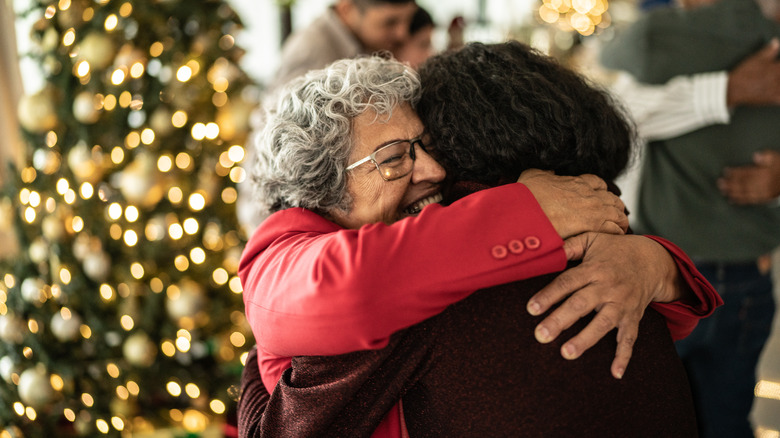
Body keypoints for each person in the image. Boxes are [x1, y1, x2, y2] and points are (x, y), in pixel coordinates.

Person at [237, 54, 720, 436]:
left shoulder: (582, 231)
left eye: (427, 145)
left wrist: (653, 263)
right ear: (321, 188)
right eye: (394, 159)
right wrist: (530, 208)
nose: (433, 171)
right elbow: (355, 286)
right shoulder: (289, 255)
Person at [600, 0, 780, 435]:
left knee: (653, 419)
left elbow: (609, 101)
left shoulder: (657, 37)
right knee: (726, 420)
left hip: (667, 275)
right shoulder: (767, 34)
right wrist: (725, 90)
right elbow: (622, 111)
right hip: (732, 273)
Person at [266, 0, 417, 96]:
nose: (402, 34)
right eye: (390, 22)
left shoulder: (364, 41)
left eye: (409, 20)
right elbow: (276, 124)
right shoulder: (313, 48)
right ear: (347, 9)